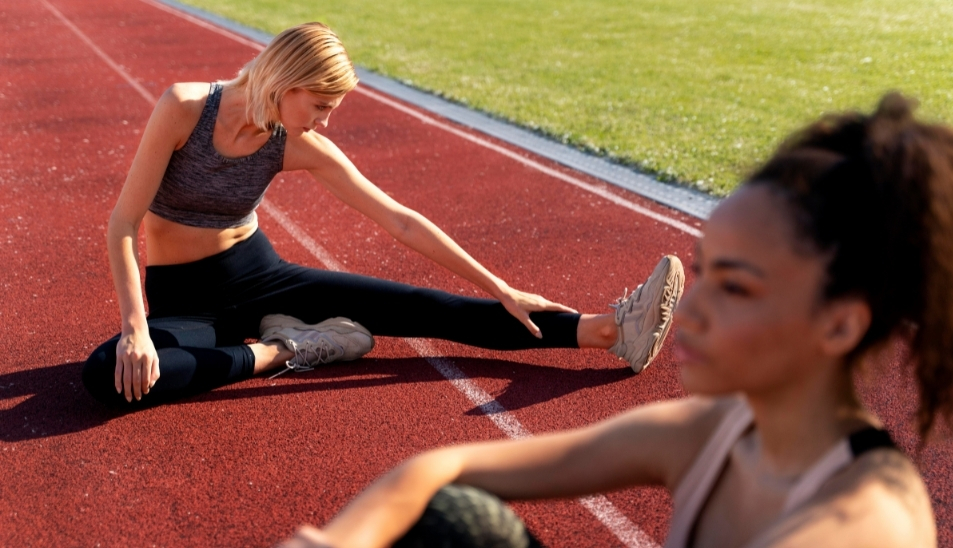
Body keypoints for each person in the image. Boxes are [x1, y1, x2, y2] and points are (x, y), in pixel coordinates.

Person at [278, 93, 951, 548]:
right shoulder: (712, 432)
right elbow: (439, 469)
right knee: (446, 519)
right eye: (704, 270)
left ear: (838, 325)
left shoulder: (858, 523)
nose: (689, 309)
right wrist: (339, 541)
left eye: (736, 288)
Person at [81, 22, 685, 406]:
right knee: (111, 372)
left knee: (414, 306)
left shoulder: (297, 143)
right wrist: (136, 326)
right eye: (319, 105)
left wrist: (499, 286)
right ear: (284, 83)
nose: (324, 121)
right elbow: (123, 226)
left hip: (257, 275)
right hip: (180, 297)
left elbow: (399, 219)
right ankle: (287, 350)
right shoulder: (186, 108)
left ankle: (605, 330)